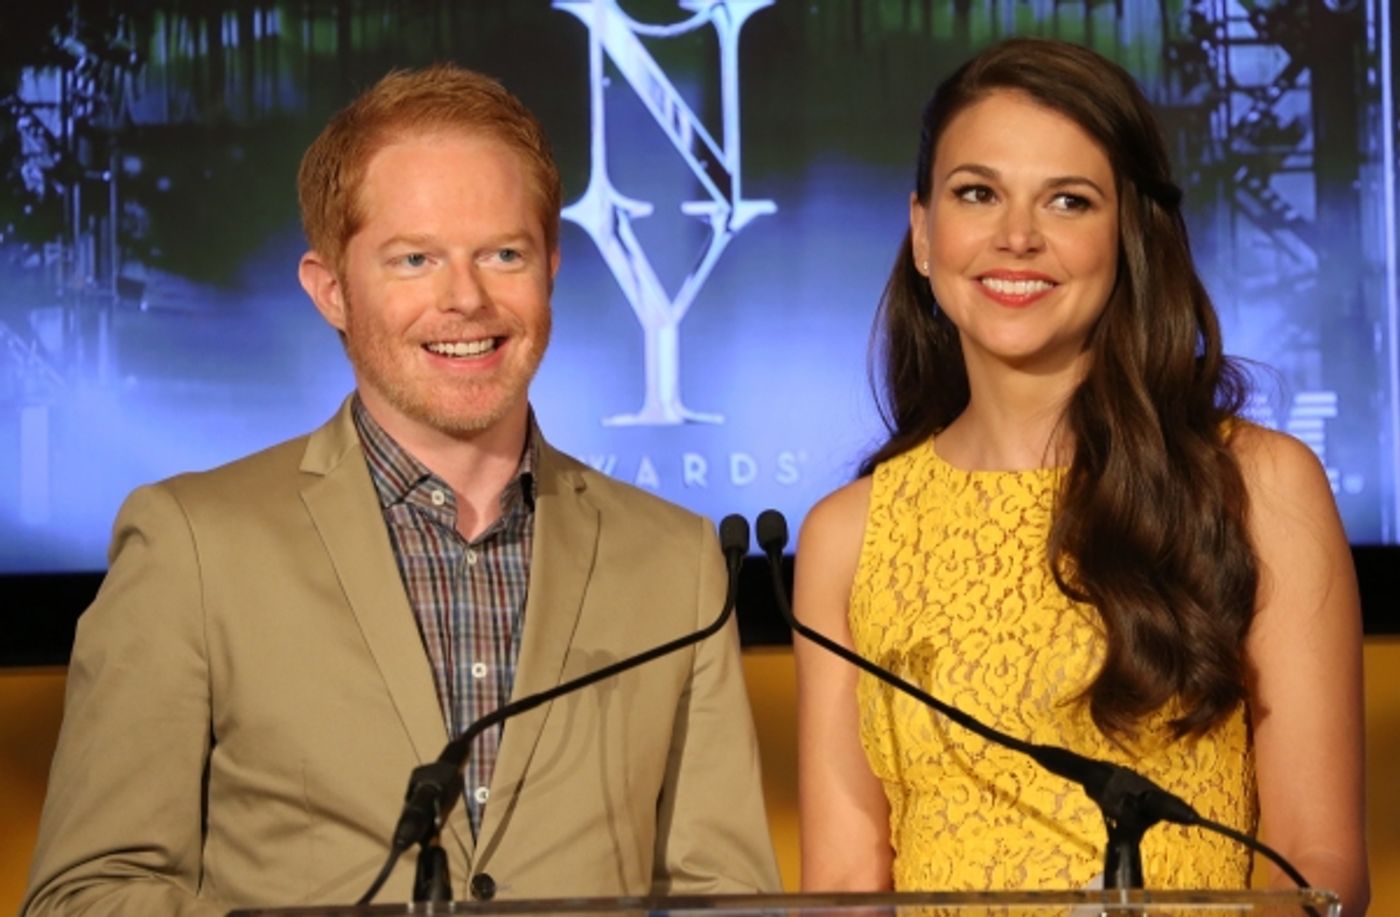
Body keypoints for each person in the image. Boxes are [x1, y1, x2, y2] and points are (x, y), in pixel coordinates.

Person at [22, 65, 779, 915]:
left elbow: (726, 895)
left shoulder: (677, 560)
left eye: (504, 253)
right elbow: (87, 894)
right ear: (331, 291)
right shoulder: (190, 545)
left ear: (553, 268)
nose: (465, 297)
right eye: (415, 258)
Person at [792, 37, 1368, 911]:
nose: (1016, 237)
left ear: (1128, 234)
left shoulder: (1258, 487)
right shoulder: (846, 535)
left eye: (1068, 201)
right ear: (922, 232)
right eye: (976, 194)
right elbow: (841, 884)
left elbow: (1316, 863)